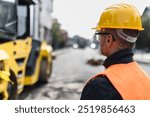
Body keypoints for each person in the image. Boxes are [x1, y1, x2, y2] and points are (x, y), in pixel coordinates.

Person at [80, 3, 150, 100]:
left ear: (108, 39)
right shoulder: (146, 80)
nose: (99, 40)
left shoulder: (99, 87)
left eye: (100, 35)